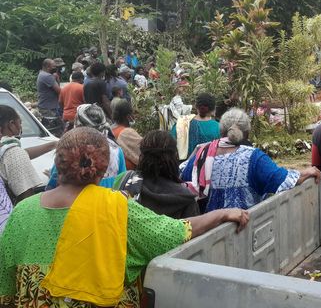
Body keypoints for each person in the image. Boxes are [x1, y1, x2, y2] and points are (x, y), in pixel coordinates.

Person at [0, 127, 249, 307]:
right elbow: (176, 232)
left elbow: (6, 288)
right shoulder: (116, 207)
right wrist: (221, 213)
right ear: (102, 167)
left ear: (58, 163)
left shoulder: (22, 211)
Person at [183, 108, 320, 212]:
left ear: (221, 131)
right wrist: (307, 172)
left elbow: (182, 179)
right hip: (245, 231)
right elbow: (281, 179)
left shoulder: (200, 155)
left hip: (207, 236)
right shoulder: (253, 157)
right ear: (247, 133)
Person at [114, 130, 199, 218]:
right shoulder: (187, 198)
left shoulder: (125, 181)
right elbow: (193, 229)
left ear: (142, 156)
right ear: (174, 157)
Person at [46, 104, 127, 189]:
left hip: (73, 200)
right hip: (108, 200)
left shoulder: (70, 150)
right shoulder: (116, 150)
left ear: (78, 126)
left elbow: (53, 183)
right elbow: (122, 182)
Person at [0, 105, 54, 203]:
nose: (21, 127)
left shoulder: (7, 150)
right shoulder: (13, 152)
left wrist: (52, 145)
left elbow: (20, 154)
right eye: (20, 123)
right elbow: (26, 200)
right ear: (11, 124)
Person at [172, 93, 221, 160]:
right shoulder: (219, 127)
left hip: (183, 167)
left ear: (196, 106)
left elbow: (171, 144)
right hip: (207, 167)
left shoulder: (181, 124)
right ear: (213, 109)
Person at [36, 58, 63, 137]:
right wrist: (57, 78)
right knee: (55, 130)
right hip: (49, 108)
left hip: (46, 106)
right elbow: (59, 91)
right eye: (54, 66)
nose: (56, 68)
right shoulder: (47, 76)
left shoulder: (42, 74)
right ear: (48, 67)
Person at [112, 102, 142, 170]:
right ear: (128, 116)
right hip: (129, 174)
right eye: (133, 114)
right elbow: (144, 150)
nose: (134, 117)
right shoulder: (126, 132)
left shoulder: (111, 130)